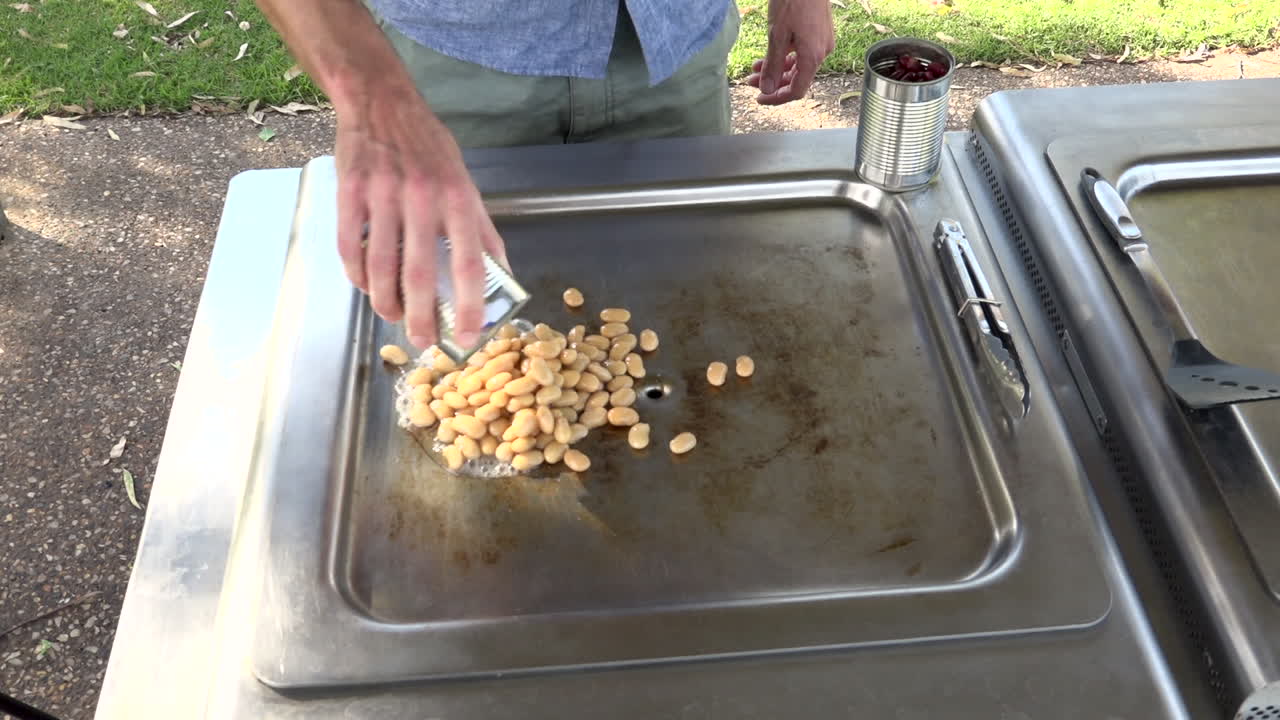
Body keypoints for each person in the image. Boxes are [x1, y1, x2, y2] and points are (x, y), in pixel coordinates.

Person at [255, 0, 834, 350]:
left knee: (692, 317)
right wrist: (374, 103)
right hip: (454, 59)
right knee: (466, 353)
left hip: (674, 43)